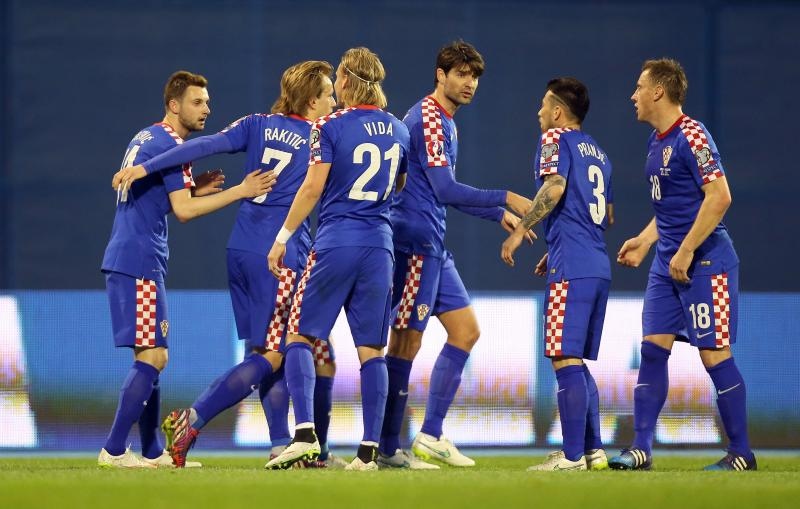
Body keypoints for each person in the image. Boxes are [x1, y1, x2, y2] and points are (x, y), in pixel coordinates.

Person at [111, 61, 345, 468]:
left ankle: (279, 445)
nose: (335, 101)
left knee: (267, 347)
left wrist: (146, 167)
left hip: (240, 250)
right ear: (311, 101)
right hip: (280, 252)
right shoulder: (322, 137)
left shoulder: (257, 123)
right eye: (329, 95)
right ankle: (194, 418)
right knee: (278, 353)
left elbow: (204, 146)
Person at [99, 70, 274, 468]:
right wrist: (240, 191)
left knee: (153, 354)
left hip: (132, 254)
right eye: (198, 102)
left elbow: (161, 198)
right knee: (154, 357)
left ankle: (152, 452)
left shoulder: (147, 136)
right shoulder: (172, 143)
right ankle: (112, 450)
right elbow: (184, 212)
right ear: (174, 105)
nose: (206, 109)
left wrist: (196, 188)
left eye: (208, 102)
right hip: (139, 259)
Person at [378, 40, 531, 469]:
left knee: (465, 331)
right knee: (405, 343)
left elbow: (440, 192)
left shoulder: (446, 120)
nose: (469, 83)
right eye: (461, 74)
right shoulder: (428, 118)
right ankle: (389, 447)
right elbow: (444, 191)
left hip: (433, 245)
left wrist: (495, 212)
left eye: (475, 76)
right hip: (414, 243)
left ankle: (429, 435)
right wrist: (507, 197)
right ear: (440, 74)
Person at [265, 47, 409, 471]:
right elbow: (398, 184)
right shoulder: (400, 130)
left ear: (345, 80)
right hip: (380, 247)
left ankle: (305, 434)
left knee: (298, 337)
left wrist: (282, 237)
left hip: (335, 242)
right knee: (372, 351)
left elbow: (311, 189)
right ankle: (368, 452)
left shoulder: (329, 125)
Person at [610, 58, 755, 471]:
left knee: (714, 355)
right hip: (667, 264)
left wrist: (688, 249)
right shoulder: (657, 141)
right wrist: (644, 239)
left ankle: (741, 453)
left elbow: (719, 196)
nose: (633, 95)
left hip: (706, 263)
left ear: (658, 91)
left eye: (639, 87)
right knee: (653, 350)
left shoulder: (692, 135)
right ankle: (641, 449)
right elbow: (675, 208)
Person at [501, 77, 613, 471]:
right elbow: (605, 214)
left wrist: (519, 230)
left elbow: (555, 187)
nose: (538, 113)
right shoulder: (599, 153)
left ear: (558, 113)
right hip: (596, 264)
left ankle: (570, 457)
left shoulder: (555, 139)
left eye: (543, 106)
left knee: (563, 358)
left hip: (573, 267)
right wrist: (557, 244)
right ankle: (594, 449)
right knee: (577, 361)